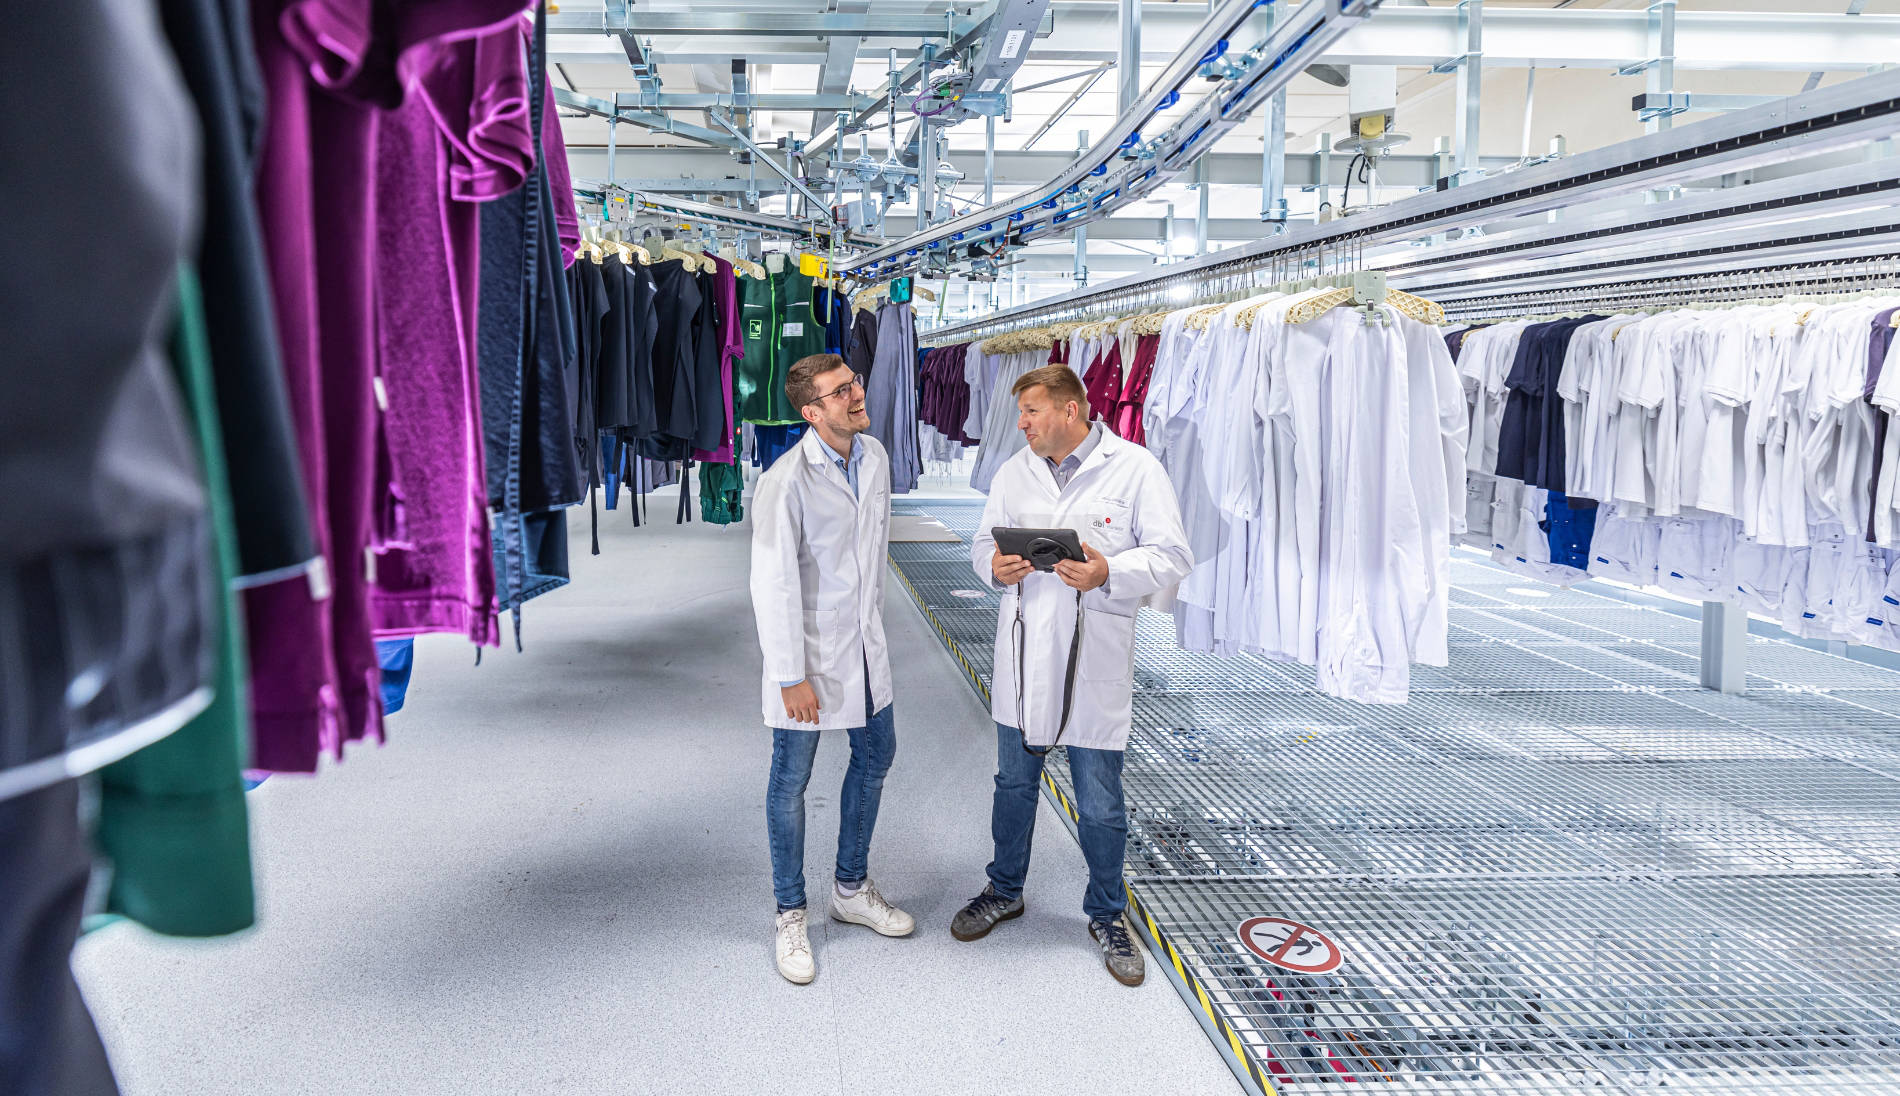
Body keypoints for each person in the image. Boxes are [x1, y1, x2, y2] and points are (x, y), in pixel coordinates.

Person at [951, 364, 1192, 986]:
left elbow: (1173, 555)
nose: (1023, 424)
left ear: (1070, 410)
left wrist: (1109, 570)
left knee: (1100, 800)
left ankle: (1109, 914)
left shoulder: (1135, 468)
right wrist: (996, 569)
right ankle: (1004, 888)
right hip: (1025, 650)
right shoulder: (1014, 470)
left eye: (1032, 411)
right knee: (1013, 784)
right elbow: (982, 545)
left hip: (1095, 657)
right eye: (1022, 413)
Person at [749, 352, 914, 984]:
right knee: (791, 777)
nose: (856, 394)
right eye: (840, 390)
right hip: (808, 655)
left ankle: (850, 888)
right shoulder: (786, 480)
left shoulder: (874, 458)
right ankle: (791, 911)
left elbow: (869, 561)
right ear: (811, 411)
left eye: (855, 383)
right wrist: (791, 675)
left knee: (877, 755)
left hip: (865, 649)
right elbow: (773, 584)